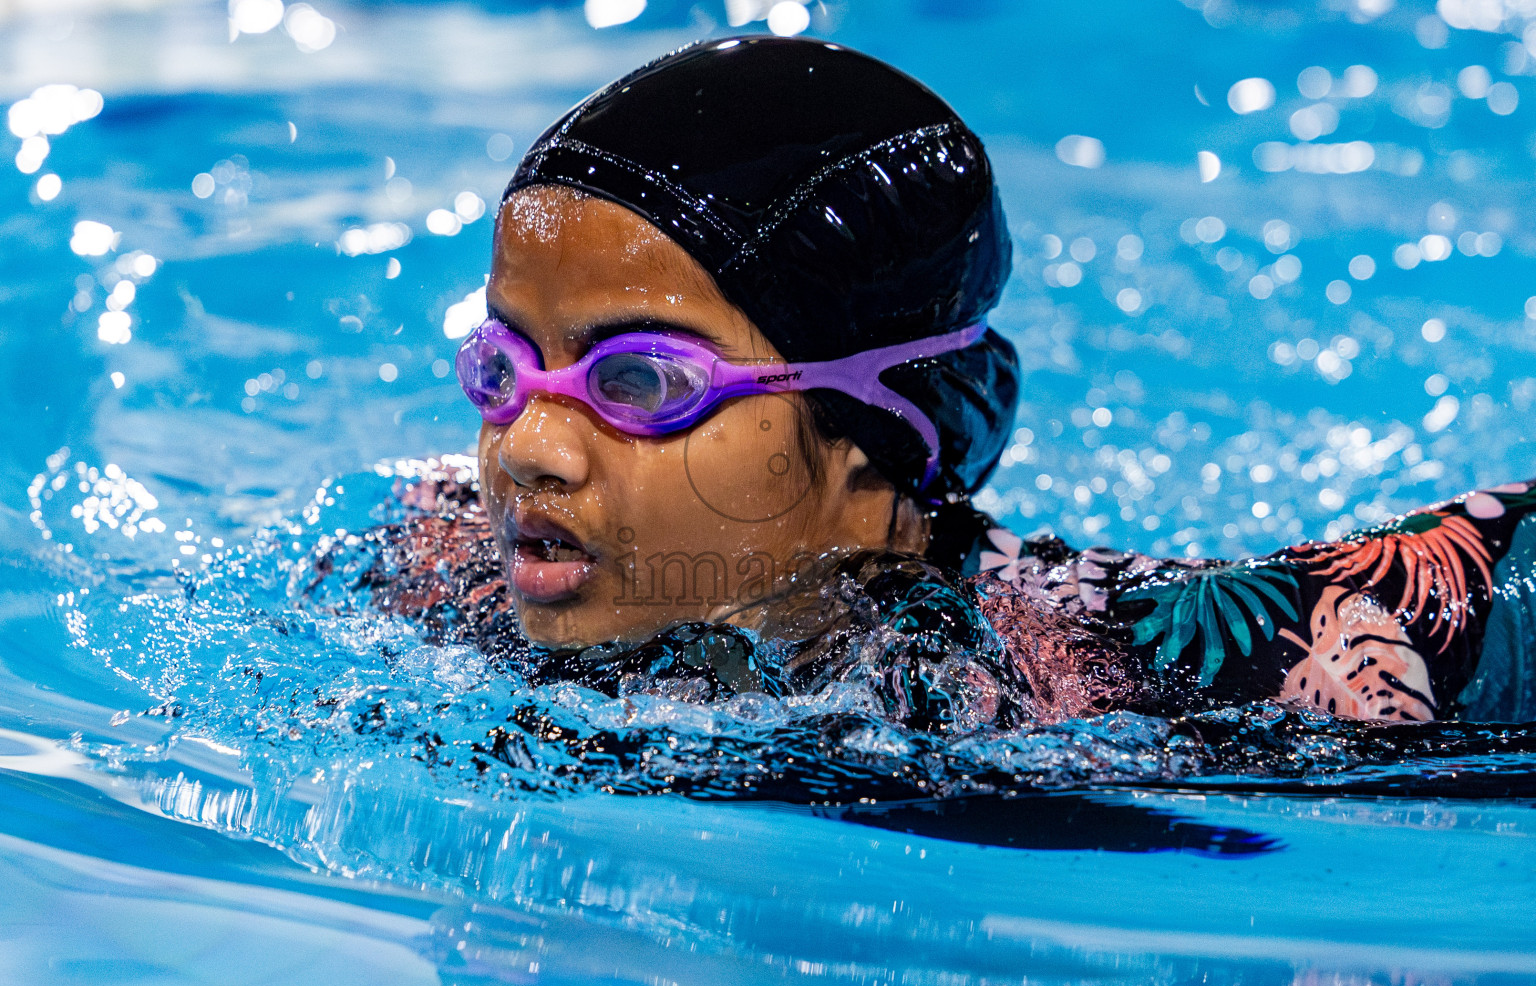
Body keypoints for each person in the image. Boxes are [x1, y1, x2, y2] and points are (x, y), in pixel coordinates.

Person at [362, 36, 1536, 731]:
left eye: (643, 381)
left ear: (873, 441)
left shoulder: (1103, 677)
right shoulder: (429, 570)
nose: (527, 451)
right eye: (507, 365)